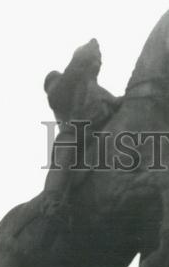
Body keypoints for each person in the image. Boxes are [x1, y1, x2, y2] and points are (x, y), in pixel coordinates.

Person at [42, 38, 121, 219]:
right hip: (74, 135)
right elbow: (61, 87)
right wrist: (77, 59)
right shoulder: (60, 88)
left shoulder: (99, 91)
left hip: (100, 136)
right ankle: (51, 200)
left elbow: (117, 103)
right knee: (67, 150)